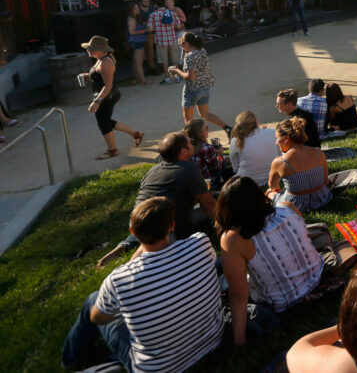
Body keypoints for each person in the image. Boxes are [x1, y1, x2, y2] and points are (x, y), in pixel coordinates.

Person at [62, 197, 223, 372]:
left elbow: (97, 319)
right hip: (212, 341)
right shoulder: (201, 243)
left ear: (133, 232)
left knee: (94, 300)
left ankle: (69, 360)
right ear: (172, 226)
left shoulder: (118, 280)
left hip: (159, 368)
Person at [216, 176, 325, 345]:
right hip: (315, 277)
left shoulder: (234, 239)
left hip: (281, 302)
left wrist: (239, 342)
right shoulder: (287, 207)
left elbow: (238, 295)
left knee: (221, 276)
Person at [94, 130, 217, 267]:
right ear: (183, 151)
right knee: (198, 212)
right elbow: (208, 205)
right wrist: (227, 224)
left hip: (137, 223)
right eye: (191, 143)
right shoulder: (189, 168)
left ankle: (128, 249)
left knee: (150, 227)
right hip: (167, 229)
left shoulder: (153, 170)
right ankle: (138, 257)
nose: (193, 145)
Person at [79, 36, 142, 160]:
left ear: (103, 50)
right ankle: (136, 134)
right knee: (105, 121)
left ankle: (112, 150)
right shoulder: (101, 59)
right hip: (107, 95)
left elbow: (108, 85)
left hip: (106, 97)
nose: (89, 50)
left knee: (103, 123)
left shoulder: (106, 62)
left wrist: (97, 102)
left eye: (93, 48)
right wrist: (89, 75)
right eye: (89, 48)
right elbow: (101, 75)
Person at [168, 31, 230, 132]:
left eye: (182, 43)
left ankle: (193, 141)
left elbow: (190, 77)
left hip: (192, 90)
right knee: (205, 114)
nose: (181, 46)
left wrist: (176, 71)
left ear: (188, 43)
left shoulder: (189, 57)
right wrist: (184, 49)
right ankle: (227, 129)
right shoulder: (202, 51)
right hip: (205, 88)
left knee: (188, 120)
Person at [268, 116, 331, 212]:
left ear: (285, 139)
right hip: (322, 198)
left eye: (277, 138)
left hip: (295, 206)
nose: (276, 142)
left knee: (269, 192)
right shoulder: (318, 153)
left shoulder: (279, 162)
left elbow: (273, 186)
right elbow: (326, 181)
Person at [229, 111, 279, 185]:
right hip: (274, 177)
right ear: (256, 122)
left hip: (247, 183)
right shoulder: (273, 132)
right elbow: (280, 154)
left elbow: (235, 167)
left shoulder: (235, 141)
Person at [148, 0, 183, 84]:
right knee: (174, 59)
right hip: (172, 39)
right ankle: (177, 77)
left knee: (164, 61)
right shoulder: (171, 13)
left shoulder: (153, 15)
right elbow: (178, 26)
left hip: (160, 41)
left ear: (156, 5)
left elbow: (150, 29)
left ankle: (167, 79)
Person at [186, 118, 228, 186]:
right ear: (200, 133)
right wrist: (220, 155)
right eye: (206, 128)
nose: (209, 130)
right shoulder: (206, 148)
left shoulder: (185, 145)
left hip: (190, 183)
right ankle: (223, 184)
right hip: (206, 183)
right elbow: (216, 168)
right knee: (223, 161)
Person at [126, 3, 148, 85]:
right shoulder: (132, 19)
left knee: (136, 62)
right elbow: (131, 32)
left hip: (137, 42)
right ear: (131, 11)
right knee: (139, 63)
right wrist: (144, 31)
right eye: (135, 8)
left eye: (137, 8)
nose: (137, 9)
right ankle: (143, 81)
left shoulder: (134, 18)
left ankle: (139, 79)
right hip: (137, 42)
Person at [138, 0, 158, 74]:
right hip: (145, 33)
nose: (147, 2)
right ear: (140, 2)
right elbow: (137, 22)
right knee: (149, 51)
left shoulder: (151, 8)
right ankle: (152, 68)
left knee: (155, 50)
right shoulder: (138, 10)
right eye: (145, 1)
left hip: (154, 32)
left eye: (148, 1)